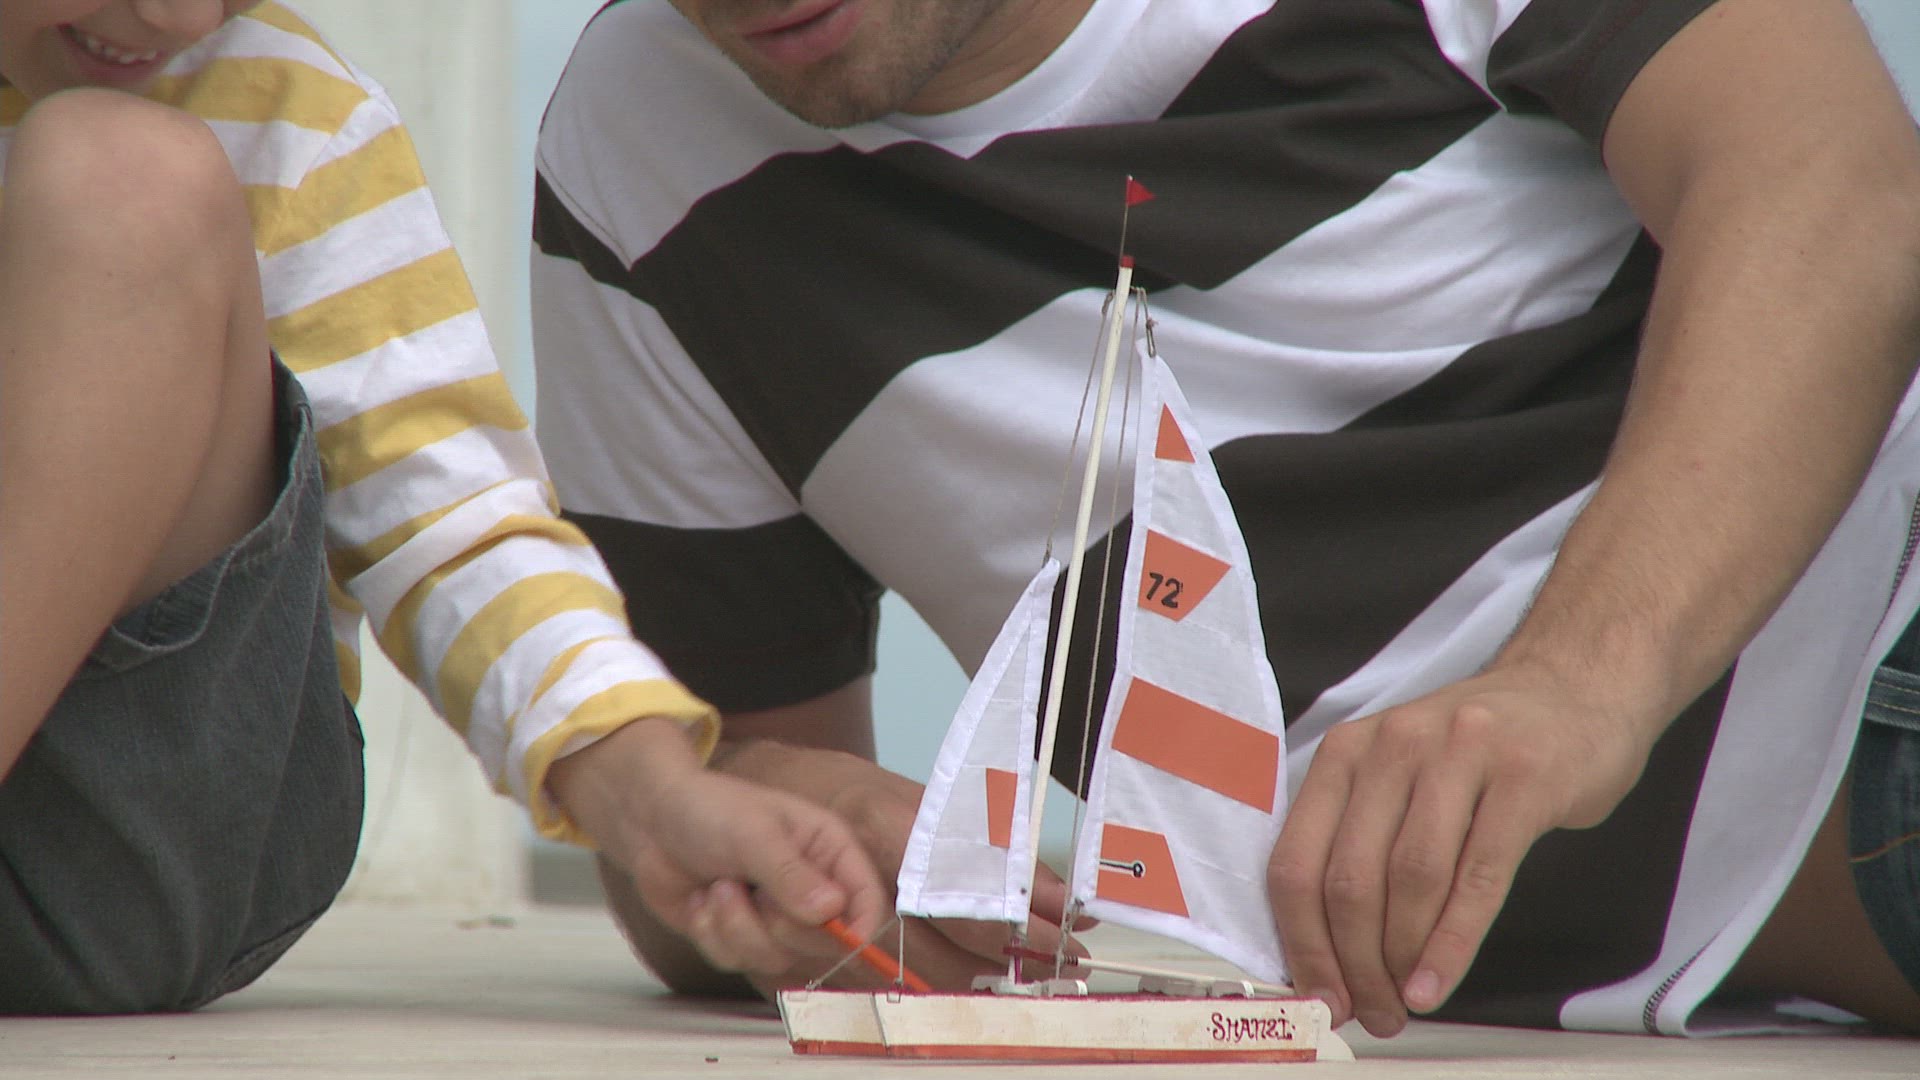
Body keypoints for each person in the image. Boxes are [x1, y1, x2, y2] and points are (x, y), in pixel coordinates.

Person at [530, 0, 1920, 1038]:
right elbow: (697, 862)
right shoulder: (637, 150)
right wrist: (768, 824)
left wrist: (1576, 682)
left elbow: (1839, 183)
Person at [0, 0, 886, 1015]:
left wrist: (656, 797)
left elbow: (450, 527)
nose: (179, 15)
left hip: (115, 852)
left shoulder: (285, 115)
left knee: (127, 179)